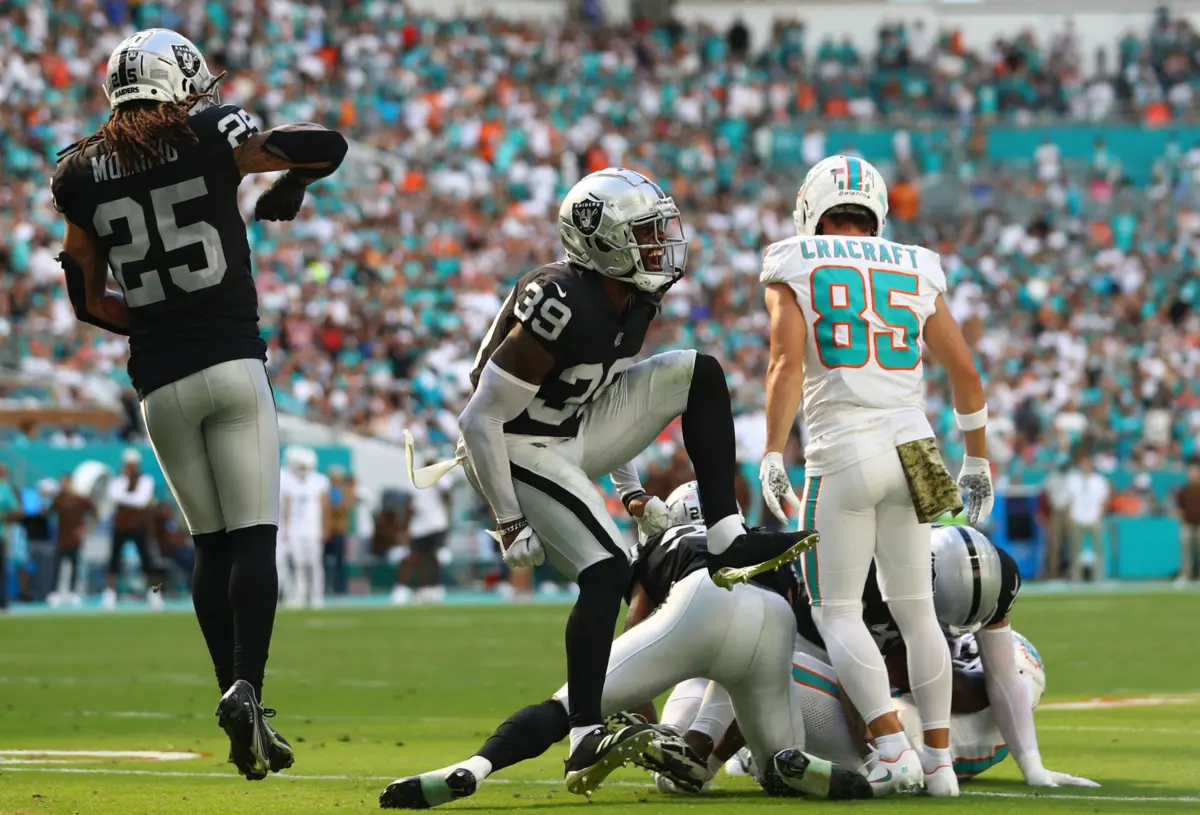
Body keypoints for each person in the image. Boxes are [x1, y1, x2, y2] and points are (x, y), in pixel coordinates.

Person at [419, 167, 818, 794]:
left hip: (568, 430)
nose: (660, 245)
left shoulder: (633, 300)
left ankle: (724, 537)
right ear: (600, 242)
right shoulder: (558, 300)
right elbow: (478, 417)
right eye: (644, 233)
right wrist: (508, 517)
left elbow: (600, 394)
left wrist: (630, 491)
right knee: (606, 570)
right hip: (511, 444)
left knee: (700, 374)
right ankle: (584, 735)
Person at [51, 27, 346, 779]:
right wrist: (291, 183)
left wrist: (150, 320)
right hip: (231, 361)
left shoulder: (80, 172)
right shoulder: (212, 131)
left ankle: (232, 694)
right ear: (176, 84)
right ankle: (250, 682)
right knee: (252, 535)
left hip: (157, 380)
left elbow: (87, 297)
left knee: (210, 545)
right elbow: (326, 144)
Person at [379, 483, 871, 809]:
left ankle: (473, 767)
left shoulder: (660, 543)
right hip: (772, 617)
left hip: (701, 596)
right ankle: (784, 760)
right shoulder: (757, 536)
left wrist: (645, 718)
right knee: (774, 771)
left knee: (570, 704)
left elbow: (636, 622)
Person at [758, 154, 994, 797]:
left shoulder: (793, 258)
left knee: (837, 612)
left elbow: (785, 363)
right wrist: (976, 456)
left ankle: (894, 747)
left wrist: (773, 453)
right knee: (919, 613)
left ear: (812, 209)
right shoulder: (917, 263)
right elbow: (966, 374)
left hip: (845, 448)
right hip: (918, 448)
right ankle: (941, 765)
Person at [103, 448, 163, 610]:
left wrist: (124, 497)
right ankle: (109, 596)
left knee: (147, 561)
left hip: (140, 526)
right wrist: (129, 497)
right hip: (121, 526)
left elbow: (141, 501)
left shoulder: (146, 480)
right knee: (114, 561)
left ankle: (155, 596)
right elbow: (116, 496)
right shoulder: (118, 482)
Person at [279, 446, 330, 608]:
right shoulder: (288, 480)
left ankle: (317, 597)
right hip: (295, 529)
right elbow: (287, 506)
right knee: (298, 564)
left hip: (313, 529)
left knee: (314, 564)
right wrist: (286, 529)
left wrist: (325, 527)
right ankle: (300, 596)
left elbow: (325, 506)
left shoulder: (319, 481)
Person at [49, 473, 96, 607]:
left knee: (74, 566)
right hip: (61, 539)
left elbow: (94, 512)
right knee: (57, 567)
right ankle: (54, 593)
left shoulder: (81, 499)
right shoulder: (59, 499)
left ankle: (72, 593)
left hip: (75, 540)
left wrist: (85, 528)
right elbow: (50, 510)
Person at [1063, 454, 1109, 582]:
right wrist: (1069, 516)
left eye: (1087, 464)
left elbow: (1104, 500)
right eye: (1083, 463)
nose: (1085, 466)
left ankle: (1099, 577)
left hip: (1094, 517)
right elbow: (1069, 500)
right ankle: (1076, 577)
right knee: (1075, 550)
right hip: (1077, 517)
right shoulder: (1073, 480)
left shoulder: (1099, 480)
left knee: (1098, 549)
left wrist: (1100, 514)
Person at [323, 466, 354, 596]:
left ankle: (340, 588)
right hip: (327, 531)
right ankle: (325, 587)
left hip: (339, 531)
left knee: (340, 561)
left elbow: (344, 508)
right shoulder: (326, 490)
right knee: (322, 561)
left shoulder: (345, 490)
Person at [1173, 461, 1200, 586]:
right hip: (1188, 523)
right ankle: (1186, 574)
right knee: (1186, 551)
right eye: (1192, 473)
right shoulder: (1184, 490)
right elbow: (1179, 506)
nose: (1193, 475)